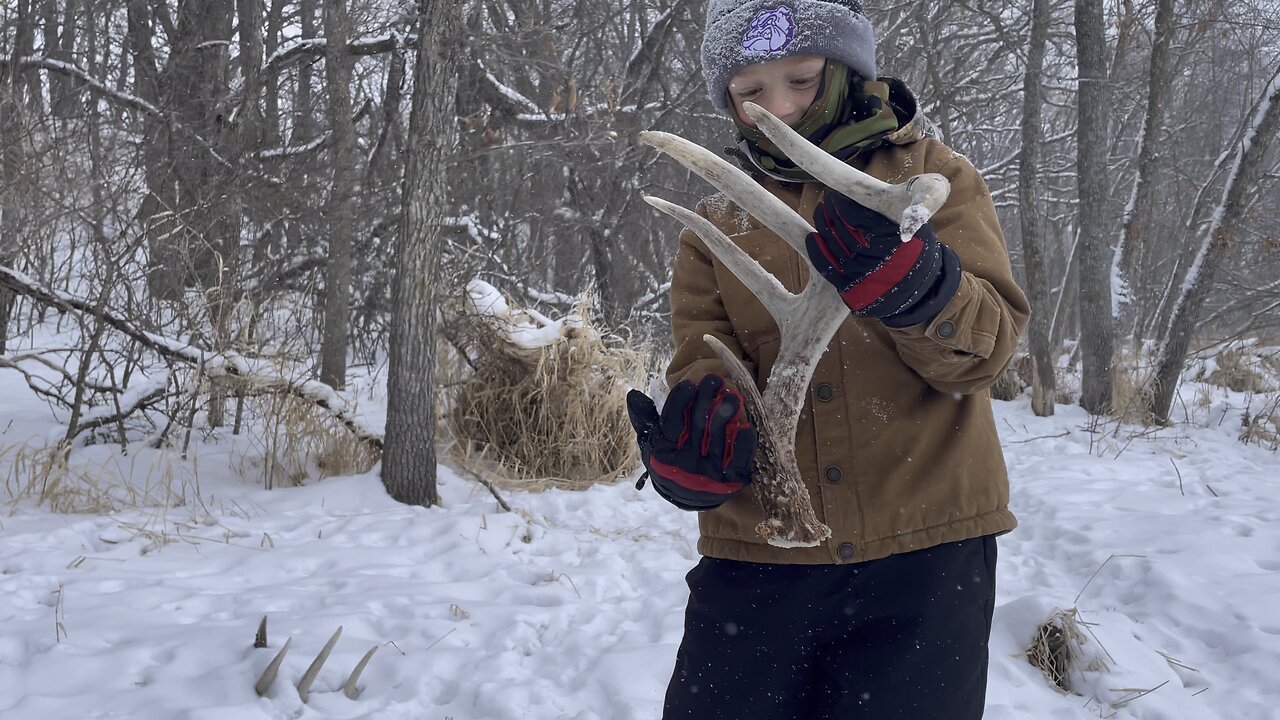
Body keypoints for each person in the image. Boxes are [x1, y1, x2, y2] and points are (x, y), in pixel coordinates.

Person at [625, 1, 1032, 718]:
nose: (776, 108)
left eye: (803, 79)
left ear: (846, 71)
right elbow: (703, 366)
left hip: (925, 557)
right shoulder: (719, 219)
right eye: (750, 92)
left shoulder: (933, 178)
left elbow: (984, 353)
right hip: (759, 559)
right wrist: (697, 456)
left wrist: (922, 292)